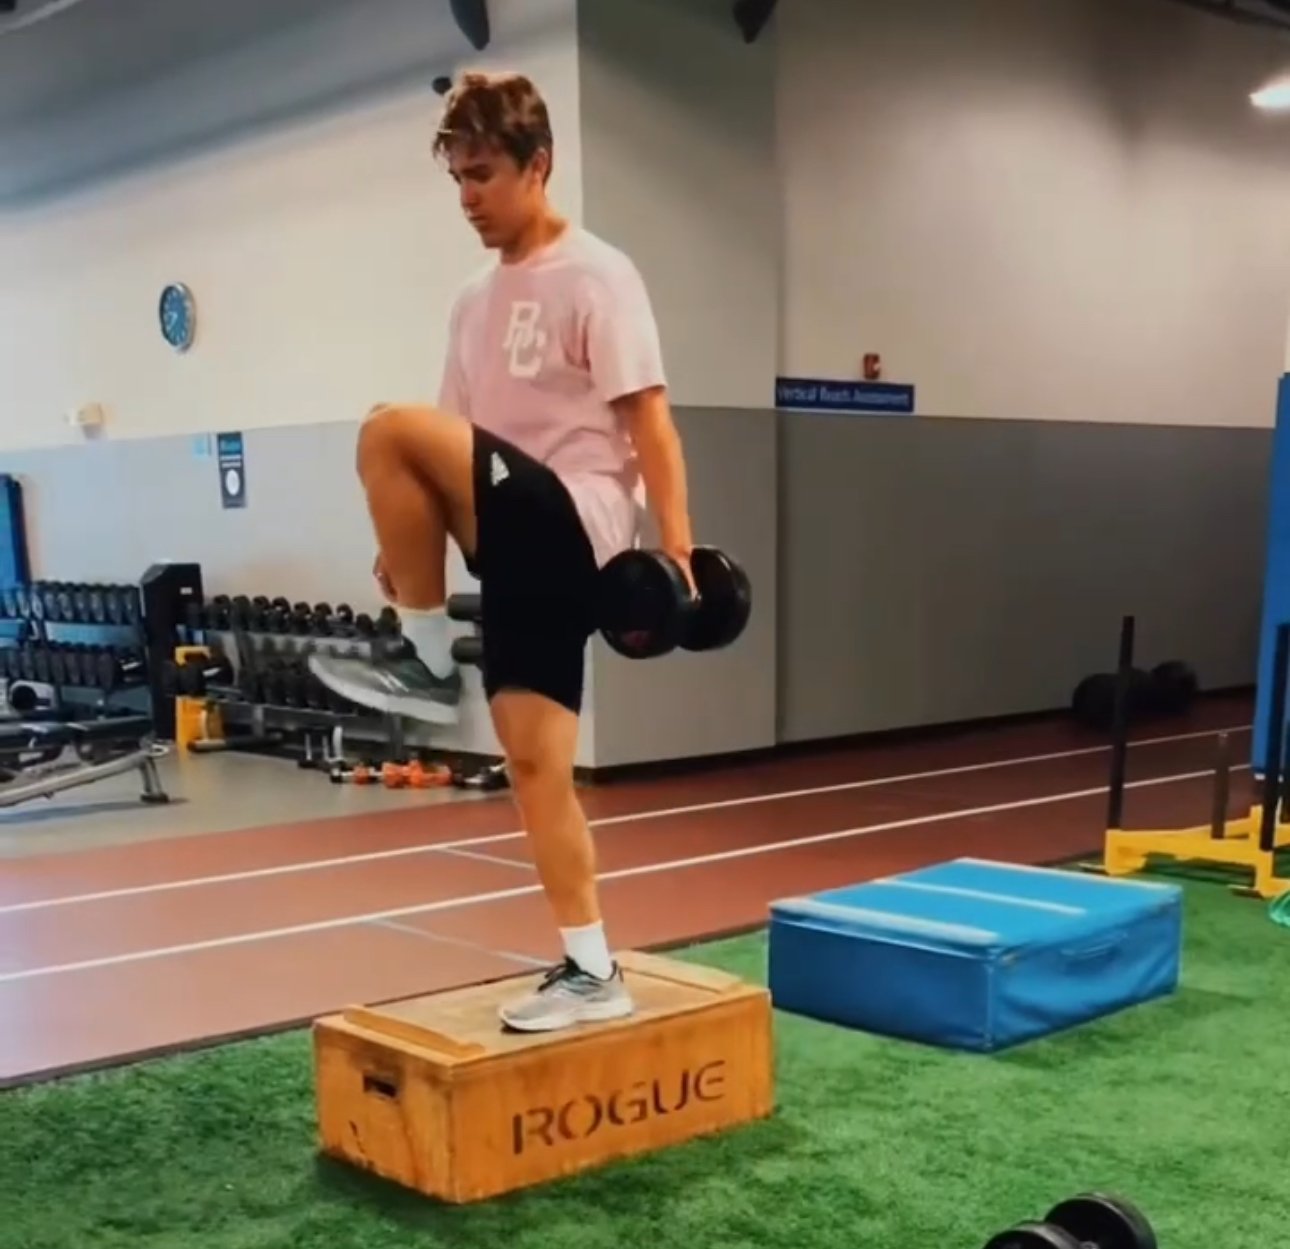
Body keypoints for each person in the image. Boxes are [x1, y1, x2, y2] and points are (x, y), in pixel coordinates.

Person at [308, 71, 696, 1033]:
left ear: (539, 165)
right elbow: (451, 438)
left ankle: (421, 648)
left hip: (578, 521)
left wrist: (679, 556)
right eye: (457, 180)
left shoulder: (599, 273)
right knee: (536, 769)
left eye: (483, 174)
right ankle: (592, 968)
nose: (469, 197)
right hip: (513, 546)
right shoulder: (470, 302)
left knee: (382, 425)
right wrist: (406, 555)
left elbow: (651, 423)